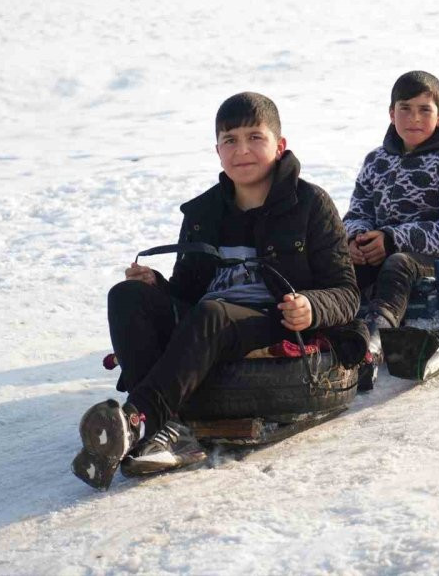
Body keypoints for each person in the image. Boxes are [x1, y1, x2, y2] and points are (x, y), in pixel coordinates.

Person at [72, 92, 366, 490]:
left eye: (254, 138)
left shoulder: (310, 204)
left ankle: (138, 420)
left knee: (213, 314)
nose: (242, 150)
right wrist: (156, 286)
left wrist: (312, 306)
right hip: (209, 323)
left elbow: (346, 293)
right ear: (217, 150)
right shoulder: (203, 213)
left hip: (276, 320)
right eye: (230, 140)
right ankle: (170, 429)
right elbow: (189, 292)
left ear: (279, 146)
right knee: (125, 296)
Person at [343, 71, 439, 388]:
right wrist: (356, 238)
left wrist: (393, 239)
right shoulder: (376, 161)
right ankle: (334, 332)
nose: (414, 118)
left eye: (424, 109)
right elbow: (356, 211)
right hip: (382, 248)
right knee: (341, 266)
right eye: (405, 108)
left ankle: (375, 341)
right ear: (392, 114)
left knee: (398, 264)